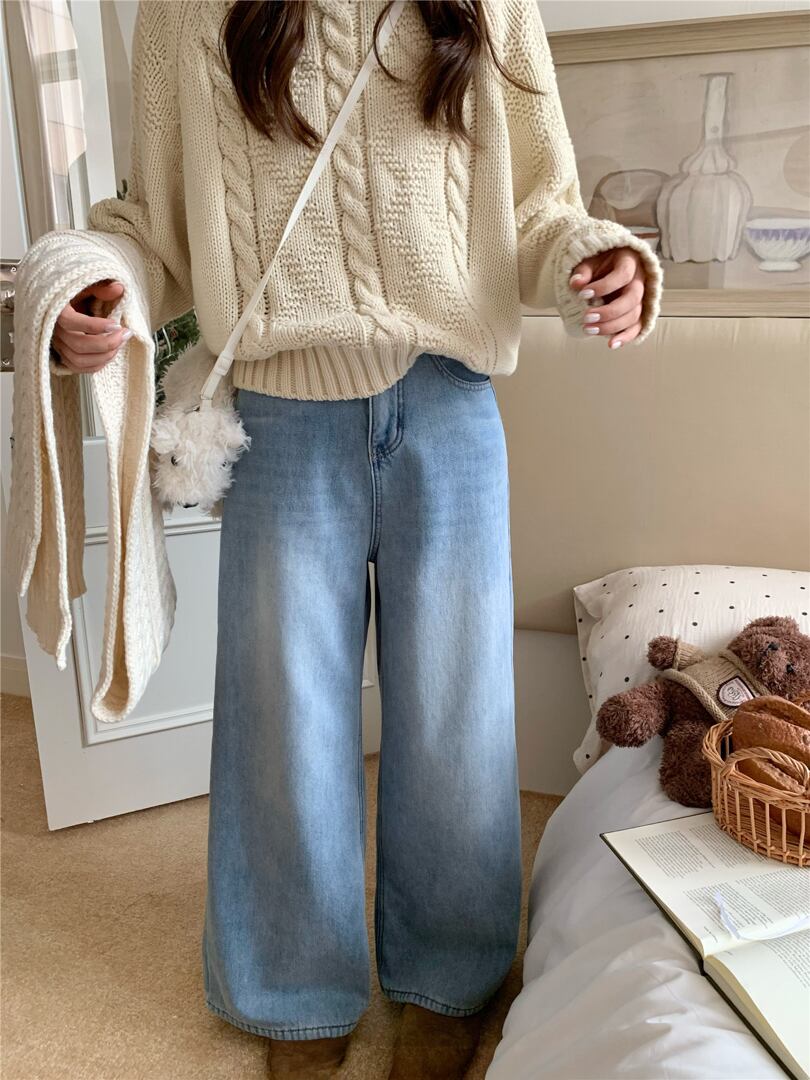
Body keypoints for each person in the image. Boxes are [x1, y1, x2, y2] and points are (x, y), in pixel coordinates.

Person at [50, 1, 662, 1076]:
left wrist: (599, 253)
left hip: (448, 405)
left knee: (458, 712)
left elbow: (538, 207)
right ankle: (295, 991)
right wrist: (88, 283)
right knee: (282, 716)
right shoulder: (184, 13)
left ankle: (451, 981)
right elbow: (156, 227)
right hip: (281, 416)